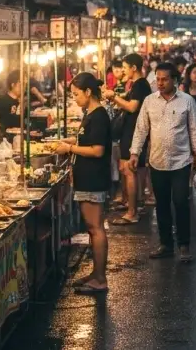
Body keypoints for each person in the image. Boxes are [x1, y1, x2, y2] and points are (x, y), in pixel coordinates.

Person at [130, 62, 196, 262]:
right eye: (158, 79)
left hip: (181, 162)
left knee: (181, 202)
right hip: (156, 161)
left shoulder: (187, 101)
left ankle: (184, 245)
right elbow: (141, 129)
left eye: (165, 79)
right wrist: (134, 152)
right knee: (162, 204)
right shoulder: (149, 101)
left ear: (174, 80)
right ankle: (166, 244)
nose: (161, 83)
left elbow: (195, 130)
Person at [55, 73, 112, 294]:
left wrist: (69, 149)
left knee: (95, 229)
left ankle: (100, 279)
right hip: (88, 178)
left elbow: (98, 150)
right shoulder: (92, 114)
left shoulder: (98, 116)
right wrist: (74, 140)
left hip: (93, 178)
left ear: (88, 92)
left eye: (76, 94)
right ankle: (96, 273)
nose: (74, 99)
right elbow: (89, 141)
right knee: (92, 228)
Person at [104, 53, 151, 225]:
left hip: (133, 131)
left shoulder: (140, 84)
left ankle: (132, 212)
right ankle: (132, 206)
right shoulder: (137, 85)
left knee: (129, 169)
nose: (123, 71)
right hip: (130, 130)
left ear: (134, 68)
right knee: (127, 169)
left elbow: (132, 107)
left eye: (124, 68)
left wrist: (113, 97)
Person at [0, 70, 23, 143]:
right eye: (21, 85)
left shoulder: (23, 101)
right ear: (13, 84)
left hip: (20, 139)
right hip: (4, 140)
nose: (23, 87)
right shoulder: (2, 100)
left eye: (25, 85)